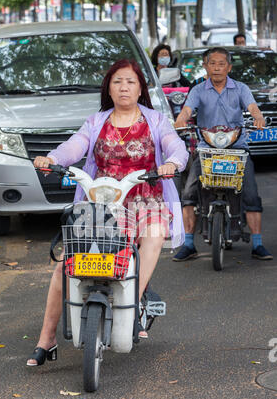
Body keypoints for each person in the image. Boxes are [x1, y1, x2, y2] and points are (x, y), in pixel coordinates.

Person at [26, 59, 189, 365]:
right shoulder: (96, 121)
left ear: (140, 87)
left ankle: (132, 305)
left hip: (145, 201)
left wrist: (173, 163)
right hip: (101, 203)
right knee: (65, 263)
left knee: (154, 234)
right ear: (109, 89)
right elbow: (75, 146)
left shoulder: (156, 120)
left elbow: (175, 146)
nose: (123, 87)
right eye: (117, 82)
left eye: (130, 82)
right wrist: (51, 157)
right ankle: (46, 340)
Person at [173, 47, 273, 262]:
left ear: (228, 67)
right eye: (212, 63)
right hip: (206, 148)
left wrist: (258, 117)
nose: (217, 68)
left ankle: (257, 244)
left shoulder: (241, 88)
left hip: (237, 148)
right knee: (189, 193)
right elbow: (187, 110)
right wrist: (182, 119)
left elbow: (252, 107)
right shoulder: (198, 90)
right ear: (205, 66)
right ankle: (189, 243)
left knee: (251, 195)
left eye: (221, 64)